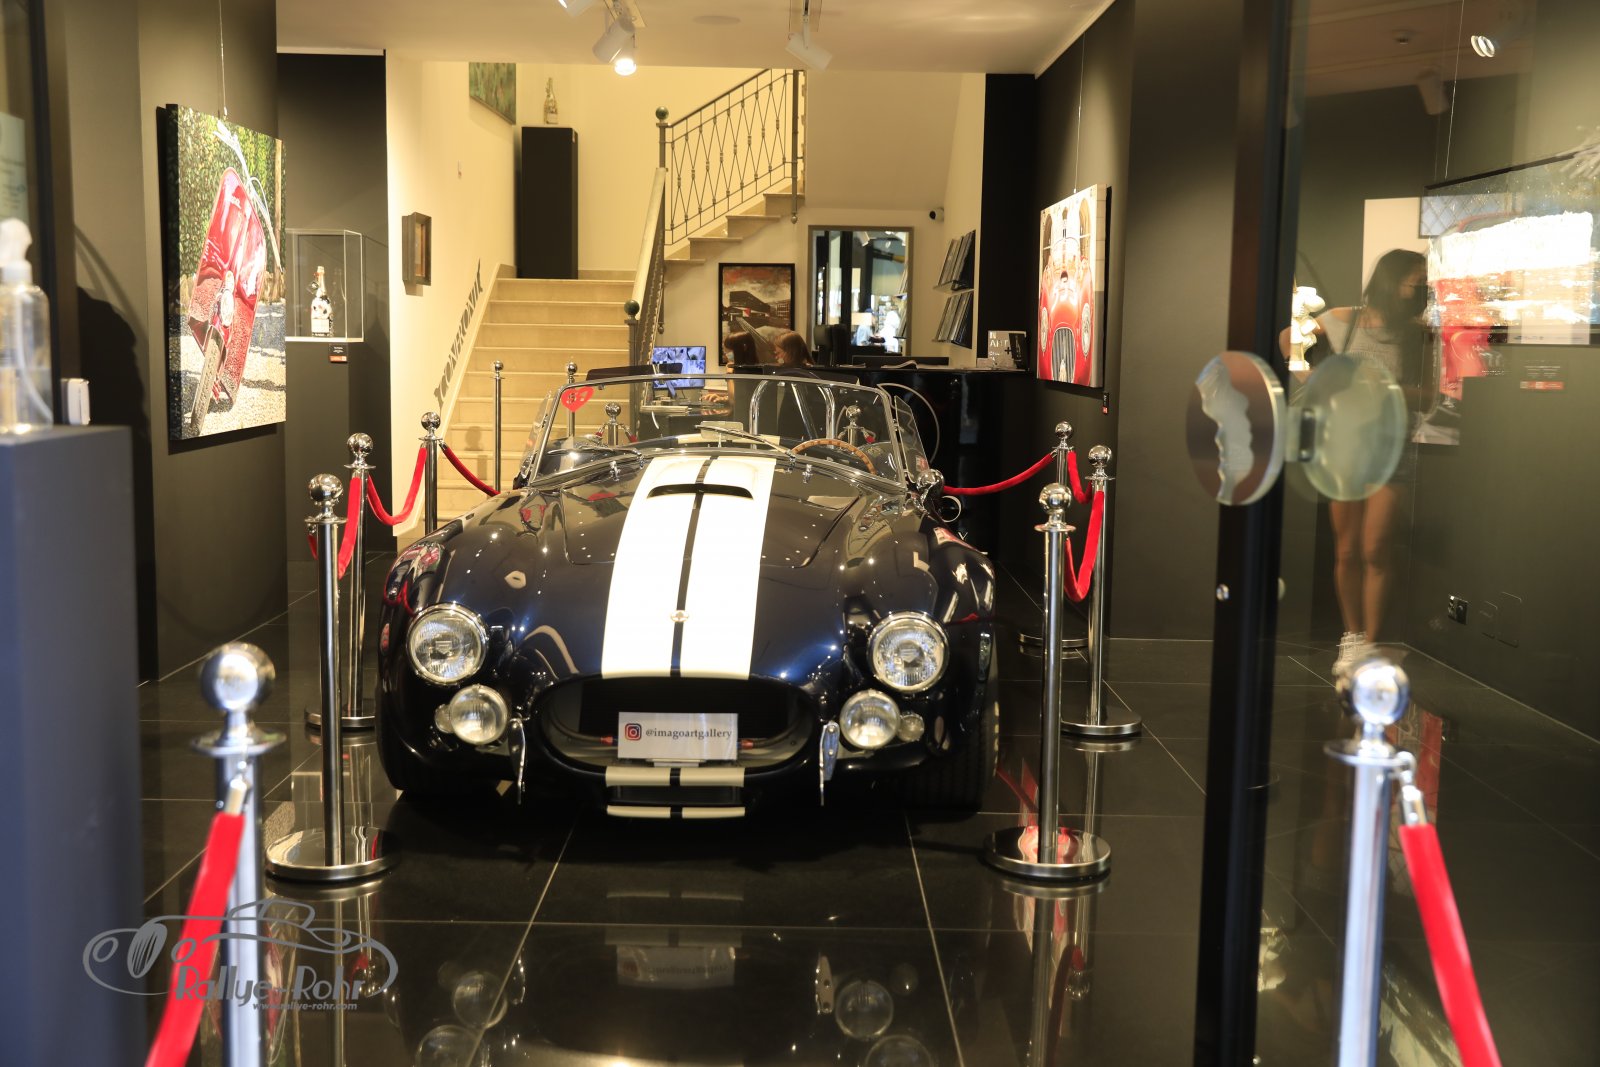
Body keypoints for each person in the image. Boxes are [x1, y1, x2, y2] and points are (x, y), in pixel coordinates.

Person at [1298, 248, 1428, 673]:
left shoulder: (1416, 334)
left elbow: (1430, 395)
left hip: (1391, 448)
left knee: (1376, 547)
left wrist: (1382, 388)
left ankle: (1371, 643)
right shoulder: (1345, 319)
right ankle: (1351, 637)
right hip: (1345, 447)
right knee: (1348, 547)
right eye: (1412, 279)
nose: (1417, 287)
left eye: (1420, 282)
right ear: (1391, 278)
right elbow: (1289, 337)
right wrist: (1311, 376)